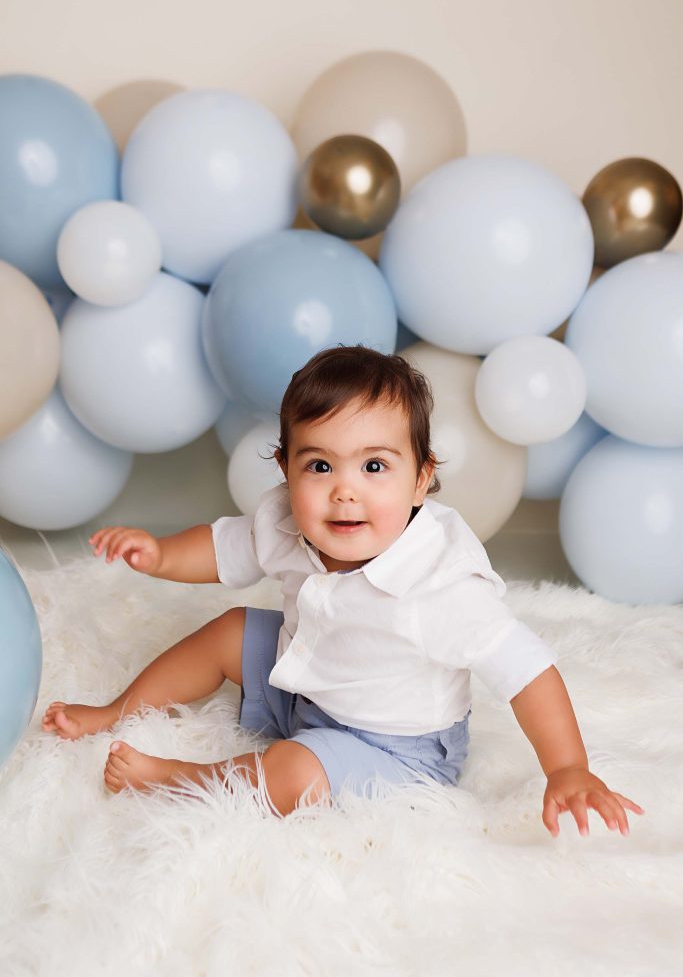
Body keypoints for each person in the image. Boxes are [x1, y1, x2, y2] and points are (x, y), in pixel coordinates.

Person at [43, 346, 644, 834]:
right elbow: (224, 547)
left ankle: (176, 779)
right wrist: (160, 554)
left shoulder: (437, 583)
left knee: (292, 772)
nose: (345, 491)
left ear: (420, 479)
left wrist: (569, 767)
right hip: (309, 691)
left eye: (375, 467)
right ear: (286, 470)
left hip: (396, 750)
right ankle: (115, 713)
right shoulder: (286, 519)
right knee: (232, 630)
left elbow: (527, 670)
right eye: (320, 466)